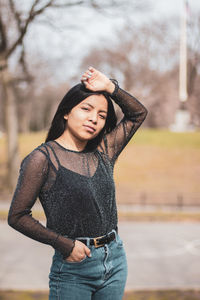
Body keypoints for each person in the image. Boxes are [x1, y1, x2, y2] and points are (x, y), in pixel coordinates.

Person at [8, 66, 148, 300]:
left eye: (102, 116)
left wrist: (110, 87)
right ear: (66, 112)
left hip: (114, 260)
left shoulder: (104, 151)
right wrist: (64, 245)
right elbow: (17, 216)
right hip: (74, 268)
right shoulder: (42, 159)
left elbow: (138, 114)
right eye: (86, 109)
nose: (94, 118)